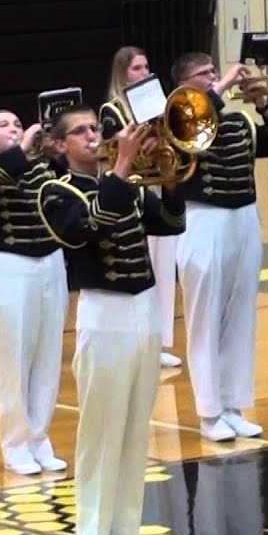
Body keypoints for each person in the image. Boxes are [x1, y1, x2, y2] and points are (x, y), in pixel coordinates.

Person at [39, 106, 184, 535]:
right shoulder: (56, 191)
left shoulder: (126, 183)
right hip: (103, 310)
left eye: (92, 129)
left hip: (143, 308)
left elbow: (169, 224)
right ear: (60, 146)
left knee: (134, 429)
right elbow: (83, 228)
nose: (90, 136)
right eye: (78, 132)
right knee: (101, 431)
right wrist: (121, 169)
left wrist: (169, 175)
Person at [170, 52, 268, 441]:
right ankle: (209, 412)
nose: (213, 78)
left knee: (241, 315)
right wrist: (221, 89)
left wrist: (264, 105)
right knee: (206, 316)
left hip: (244, 217)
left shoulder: (238, 120)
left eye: (214, 72)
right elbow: (186, 139)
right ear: (183, 85)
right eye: (203, 75)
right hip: (203, 218)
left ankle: (234, 403)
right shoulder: (174, 119)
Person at [0, 109, 66, 475]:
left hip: (50, 264)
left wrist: (56, 153)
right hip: (6, 268)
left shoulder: (40, 167)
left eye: (18, 124)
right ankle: (16, 443)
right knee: (11, 362)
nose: (15, 129)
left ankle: (40, 438)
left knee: (46, 358)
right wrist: (20, 148)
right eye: (3, 125)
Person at [100, 46, 182, 368]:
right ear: (122, 74)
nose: (144, 72)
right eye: (136, 68)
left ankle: (161, 341)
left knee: (164, 267)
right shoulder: (112, 110)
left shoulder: (159, 104)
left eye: (146, 66)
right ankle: (139, 336)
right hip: (134, 193)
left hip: (159, 185)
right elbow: (114, 152)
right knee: (144, 262)